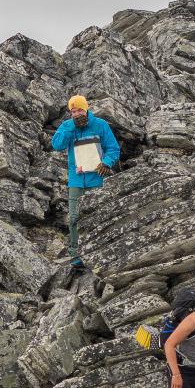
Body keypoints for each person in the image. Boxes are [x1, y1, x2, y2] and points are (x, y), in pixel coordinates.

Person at [49, 95, 119, 267]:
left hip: (98, 179)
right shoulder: (67, 126)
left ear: (86, 109)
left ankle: (101, 250)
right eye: (73, 111)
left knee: (100, 216)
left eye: (80, 110)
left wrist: (107, 163)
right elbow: (57, 144)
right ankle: (76, 256)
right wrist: (72, 126)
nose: (77, 113)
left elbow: (113, 149)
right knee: (74, 218)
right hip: (76, 181)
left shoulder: (100, 125)